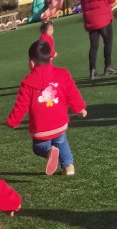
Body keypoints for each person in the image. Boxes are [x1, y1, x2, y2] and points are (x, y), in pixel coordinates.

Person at [6, 39, 87, 176]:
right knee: (61, 141)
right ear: (51, 58)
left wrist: (13, 121)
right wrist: (80, 108)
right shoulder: (63, 73)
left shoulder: (27, 82)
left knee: (39, 147)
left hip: (41, 129)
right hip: (60, 123)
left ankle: (49, 152)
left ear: (31, 62)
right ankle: (69, 166)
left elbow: (21, 105)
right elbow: (72, 93)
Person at [81, 0, 117, 79]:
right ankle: (108, 65)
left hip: (91, 18)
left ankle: (92, 70)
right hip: (103, 17)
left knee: (94, 45)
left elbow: (82, 0)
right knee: (108, 42)